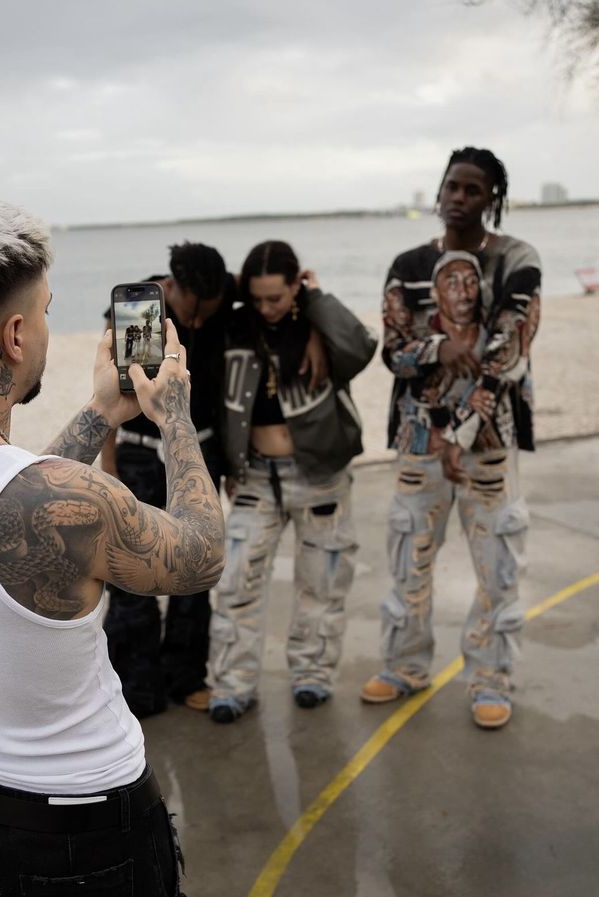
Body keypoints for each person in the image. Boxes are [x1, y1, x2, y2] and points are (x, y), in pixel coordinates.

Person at [0, 201, 224, 895]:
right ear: (16, 334)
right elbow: (200, 554)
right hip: (89, 843)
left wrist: (100, 413)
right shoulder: (53, 499)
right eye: (49, 312)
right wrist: (173, 415)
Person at [360, 146, 541, 729]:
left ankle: (490, 677)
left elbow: (509, 351)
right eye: (452, 186)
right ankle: (405, 666)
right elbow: (393, 349)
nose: (458, 197)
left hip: (489, 444)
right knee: (410, 557)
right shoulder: (408, 262)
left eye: (473, 189)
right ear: (439, 190)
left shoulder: (516, 259)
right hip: (418, 441)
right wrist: (440, 348)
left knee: (497, 564)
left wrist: (461, 429)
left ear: (493, 198)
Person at [209, 240, 378, 723]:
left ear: (296, 287)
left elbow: (362, 345)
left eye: (276, 299)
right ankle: (233, 684)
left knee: (321, 583)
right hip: (256, 475)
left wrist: (317, 304)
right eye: (257, 298)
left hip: (320, 473)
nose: (266, 308)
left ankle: (312, 675)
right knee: (236, 579)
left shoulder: (316, 322)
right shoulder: (236, 323)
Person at [101, 243, 236, 717]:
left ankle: (186, 676)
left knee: (195, 568)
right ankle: (135, 689)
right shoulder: (137, 312)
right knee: (131, 571)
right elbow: (109, 394)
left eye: (208, 310)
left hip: (198, 450)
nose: (197, 322)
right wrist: (109, 466)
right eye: (192, 310)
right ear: (172, 287)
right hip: (138, 456)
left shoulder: (219, 292)